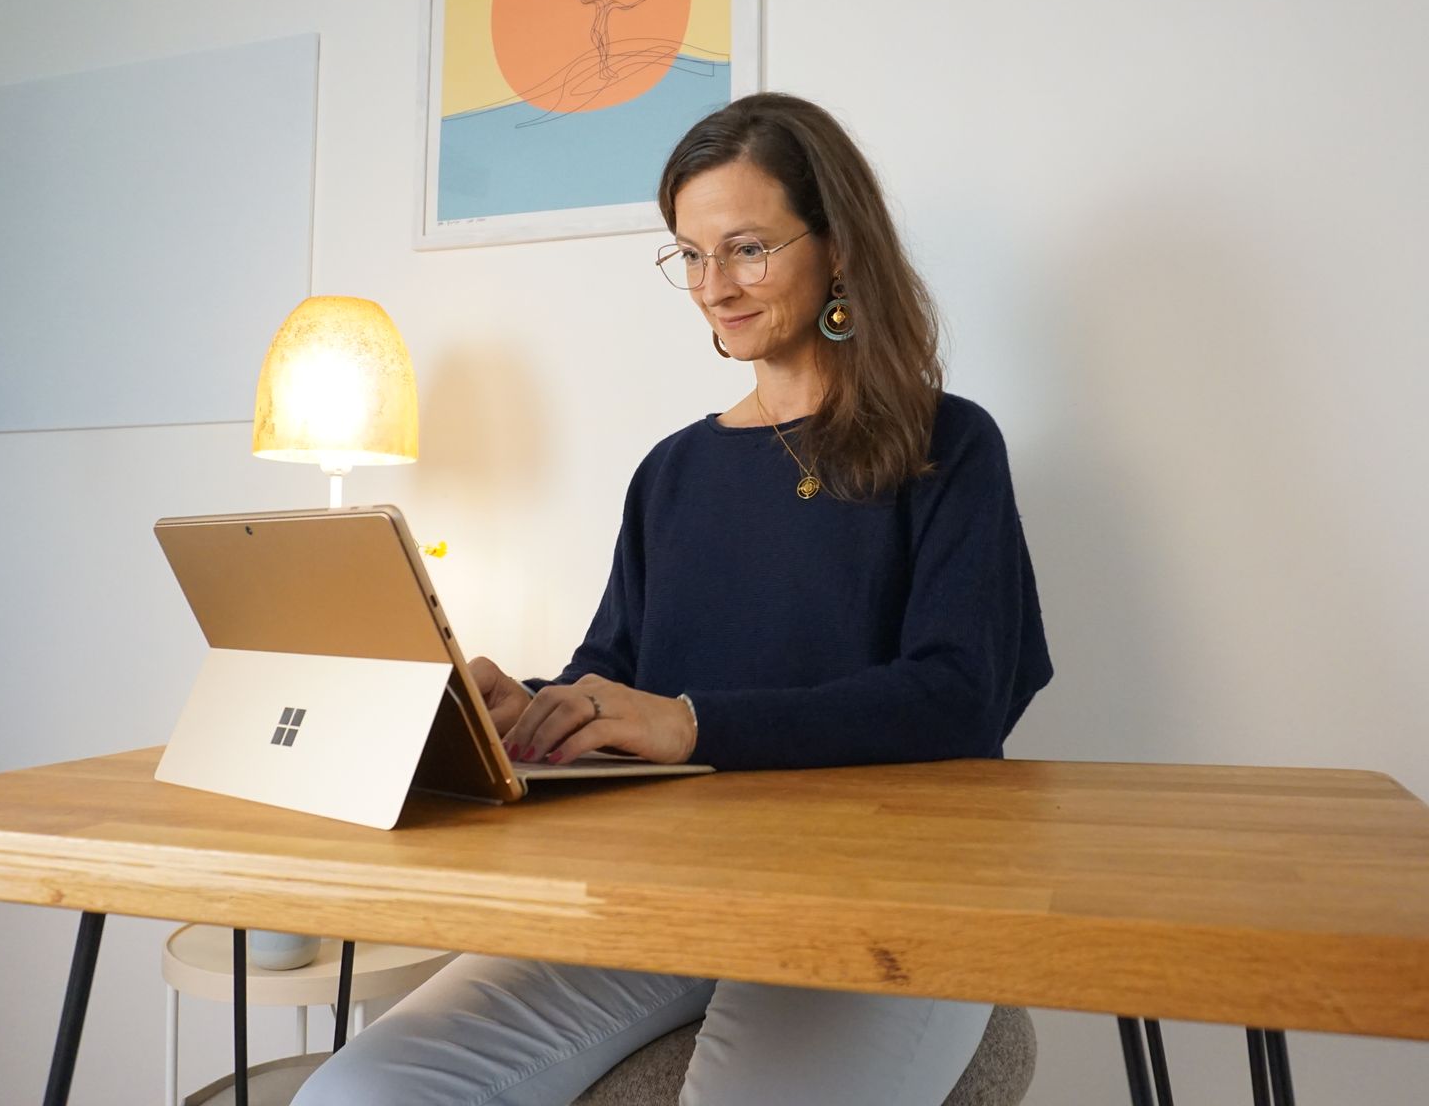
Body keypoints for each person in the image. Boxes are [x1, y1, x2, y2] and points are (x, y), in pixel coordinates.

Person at [294, 92, 1054, 1105]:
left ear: (837, 249)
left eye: (745, 248)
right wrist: (528, 709)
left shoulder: (948, 446)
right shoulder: (674, 472)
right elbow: (615, 677)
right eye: (689, 254)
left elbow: (961, 695)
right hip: (672, 893)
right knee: (363, 1092)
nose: (713, 286)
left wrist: (693, 720)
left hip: (886, 893)